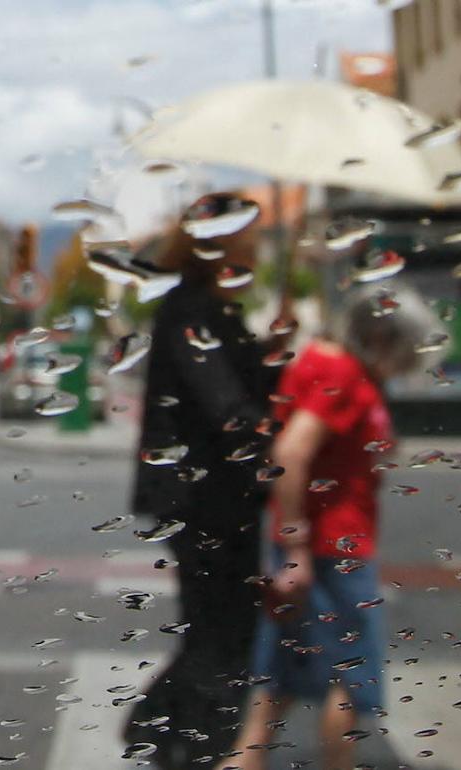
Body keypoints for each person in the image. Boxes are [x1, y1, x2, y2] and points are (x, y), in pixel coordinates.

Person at [221, 282, 445, 770]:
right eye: (405, 354)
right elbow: (292, 452)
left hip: (315, 544)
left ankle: (245, 761)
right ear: (383, 339)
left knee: (284, 672)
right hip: (334, 551)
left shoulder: (330, 364)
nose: (406, 368)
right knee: (350, 678)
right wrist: (298, 548)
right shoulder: (341, 372)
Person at [126, 193, 291, 768]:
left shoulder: (214, 310)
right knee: (222, 632)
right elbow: (224, 404)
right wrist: (273, 449)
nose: (254, 244)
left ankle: (162, 723)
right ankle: (197, 746)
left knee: (221, 626)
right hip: (201, 499)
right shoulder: (189, 308)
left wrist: (273, 354)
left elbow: (239, 388)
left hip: (221, 496)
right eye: (247, 233)